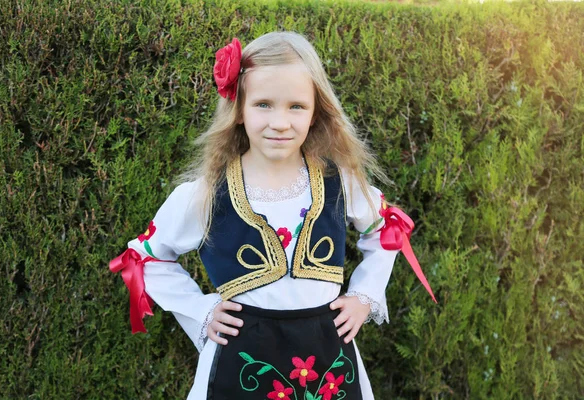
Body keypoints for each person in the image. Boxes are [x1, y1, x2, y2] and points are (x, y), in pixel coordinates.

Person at [110, 31, 437, 400]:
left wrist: (364, 295)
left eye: (296, 106)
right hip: (239, 368)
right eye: (263, 104)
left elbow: (386, 228)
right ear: (239, 110)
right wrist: (201, 310)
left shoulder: (339, 184)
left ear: (316, 111)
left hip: (329, 370)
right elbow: (145, 255)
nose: (280, 122)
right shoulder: (204, 195)